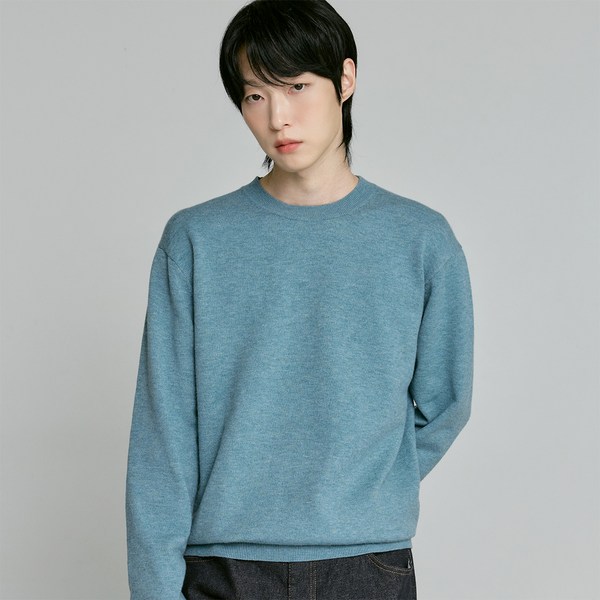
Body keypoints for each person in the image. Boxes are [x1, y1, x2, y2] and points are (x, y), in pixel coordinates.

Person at [125, 1, 475, 599]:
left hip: (366, 566)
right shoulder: (196, 239)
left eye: (295, 86)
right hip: (225, 567)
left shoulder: (420, 239)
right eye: (255, 95)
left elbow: (446, 404)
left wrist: (367, 490)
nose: (277, 117)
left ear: (346, 79)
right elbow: (163, 436)